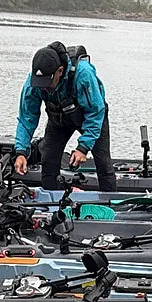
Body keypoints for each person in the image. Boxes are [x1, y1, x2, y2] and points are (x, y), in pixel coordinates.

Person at [13, 42, 115, 192]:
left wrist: (83, 147)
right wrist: (21, 152)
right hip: (58, 119)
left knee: (103, 163)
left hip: (90, 116)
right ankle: (51, 201)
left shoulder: (83, 74)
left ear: (60, 71)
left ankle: (110, 203)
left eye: (47, 83)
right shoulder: (33, 82)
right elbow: (27, 117)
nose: (43, 88)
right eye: (40, 84)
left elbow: (95, 112)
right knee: (48, 161)